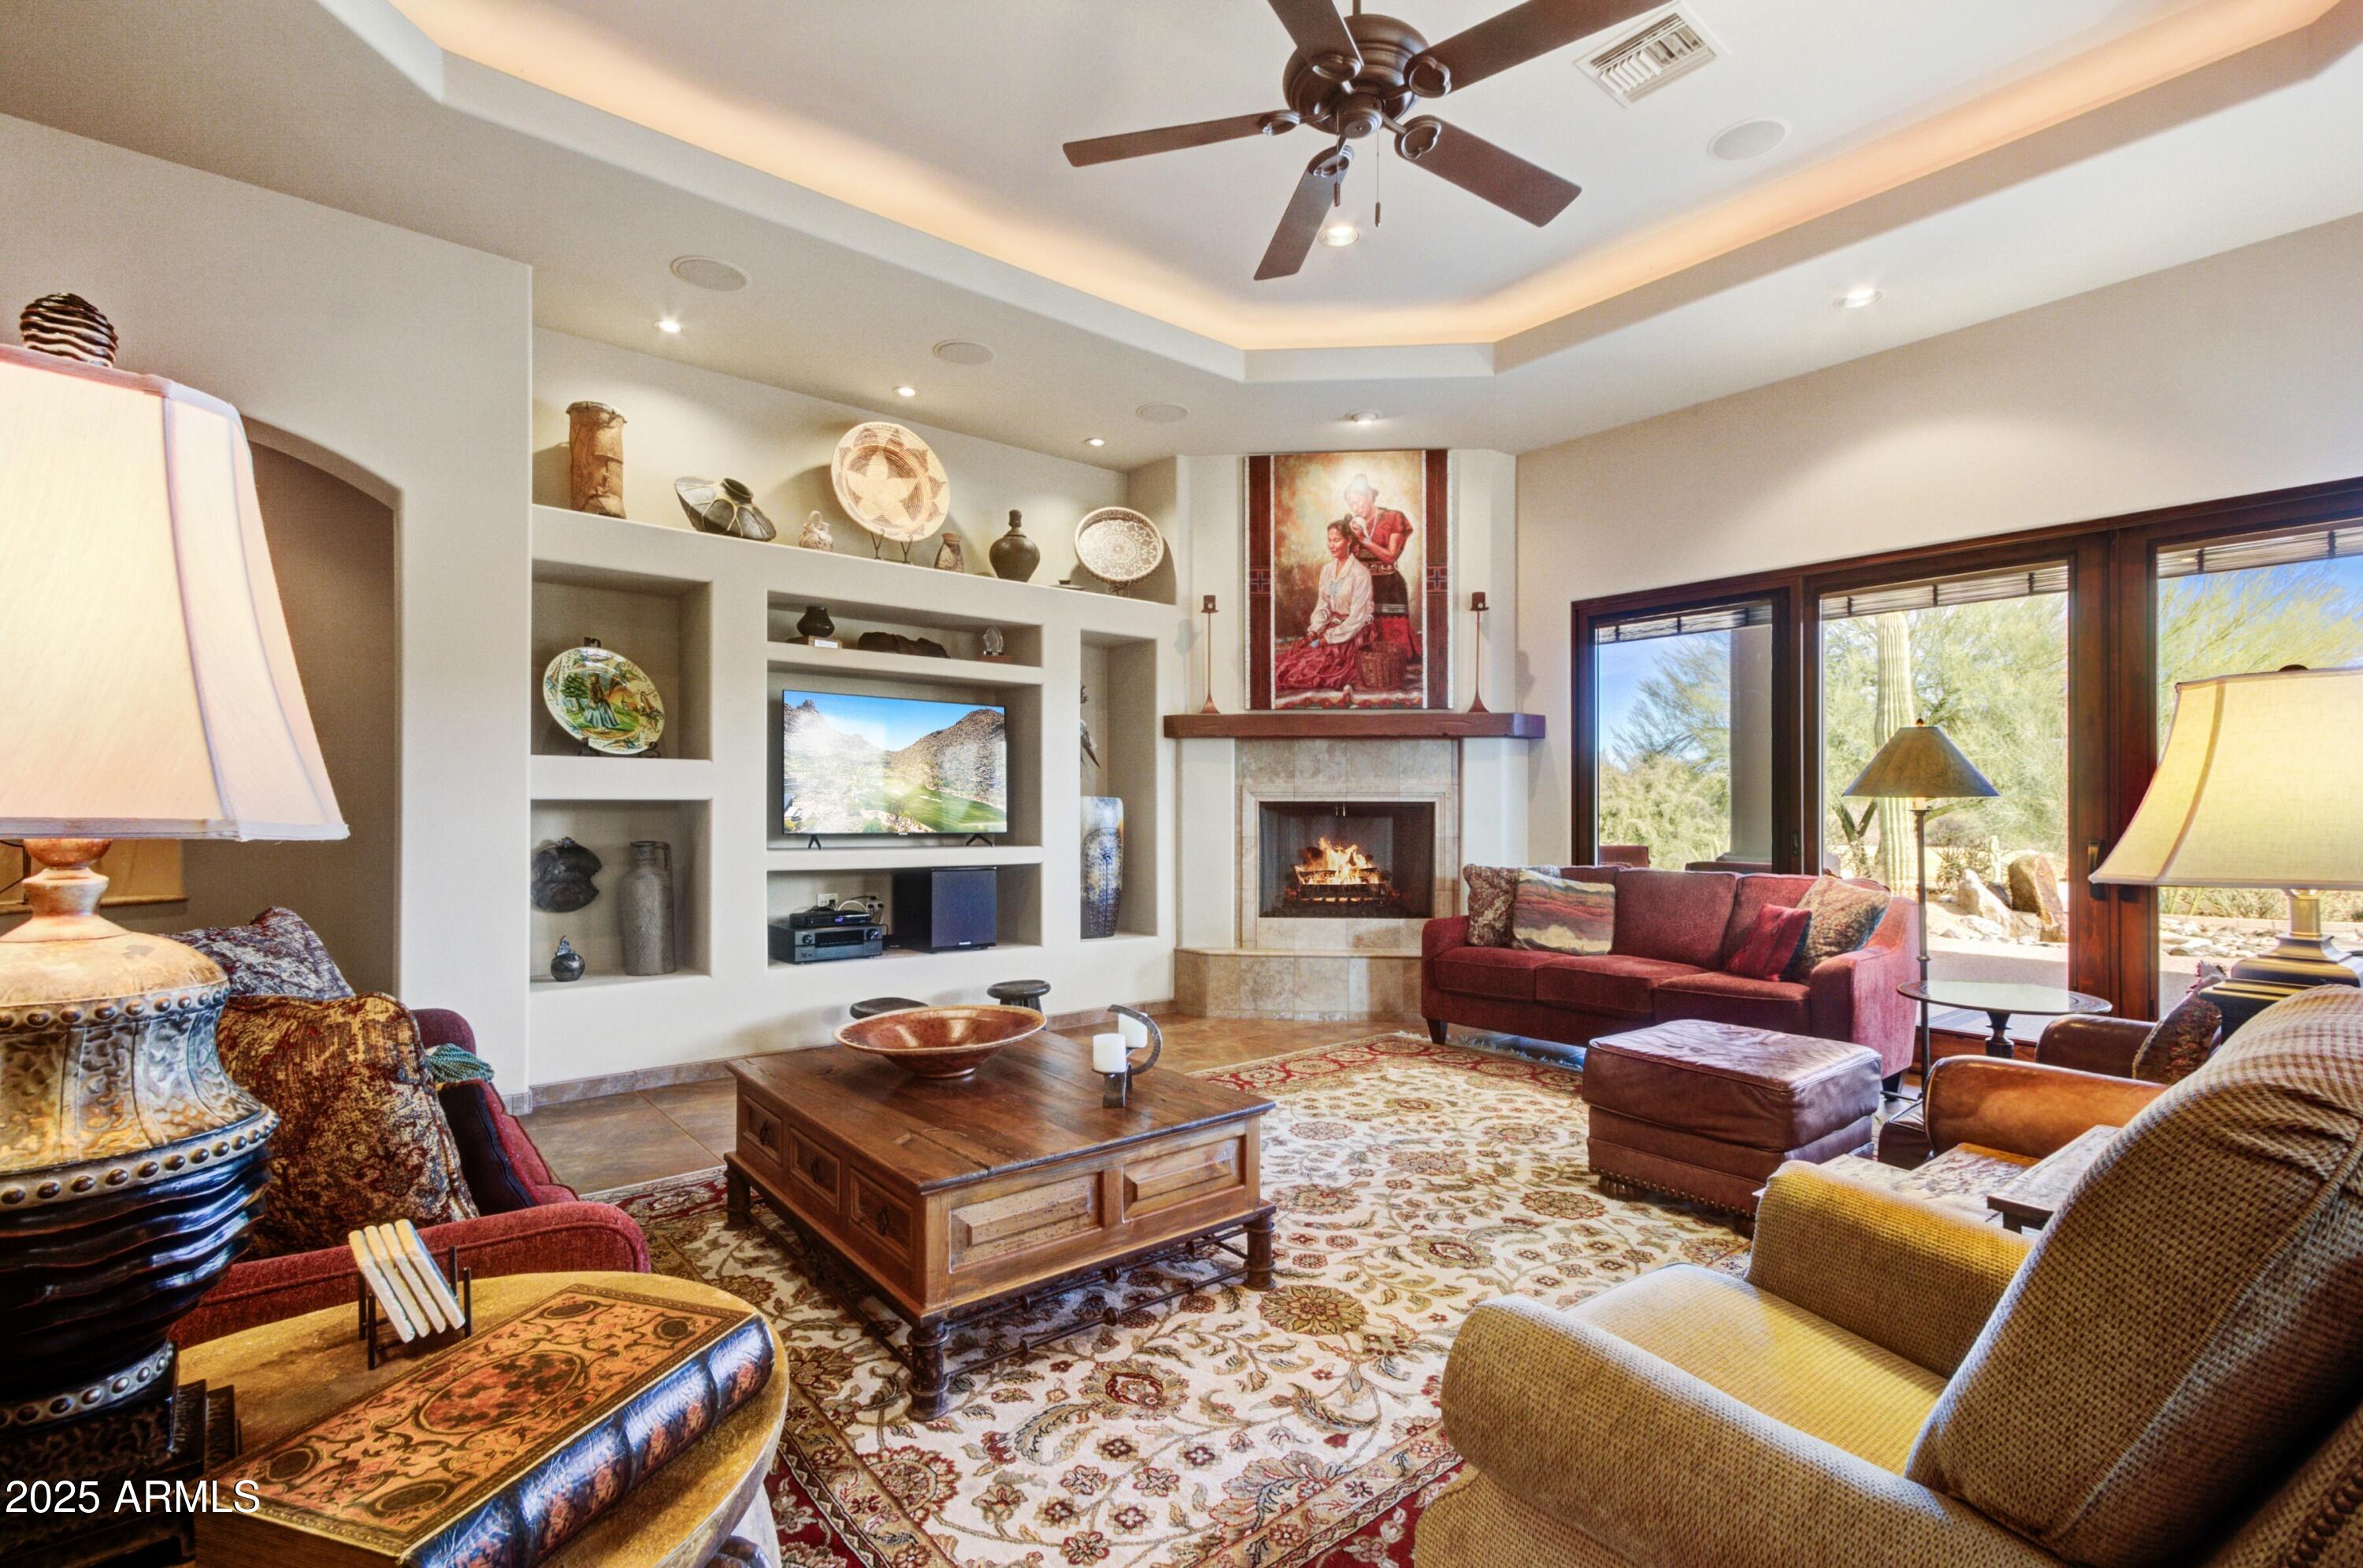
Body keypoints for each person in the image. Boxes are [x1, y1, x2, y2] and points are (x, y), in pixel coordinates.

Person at [1274, 520, 1376, 692]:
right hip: (1333, 626)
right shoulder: (1327, 570)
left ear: (1349, 541)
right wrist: (1313, 634)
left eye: (1336, 540)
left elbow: (1356, 619)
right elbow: (1323, 606)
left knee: (1313, 668)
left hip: (1354, 633)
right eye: (1329, 540)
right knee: (1291, 662)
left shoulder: (1361, 574)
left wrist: (1324, 640)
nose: (1331, 545)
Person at [1342, 474, 1419, 660]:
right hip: (1362, 588)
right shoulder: (1351, 525)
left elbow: (1390, 556)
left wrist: (1364, 540)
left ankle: (1392, 667)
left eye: (1357, 501)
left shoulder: (1394, 518)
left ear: (1369, 496)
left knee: (1394, 649)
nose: (1354, 508)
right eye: (1350, 504)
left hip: (1389, 585)